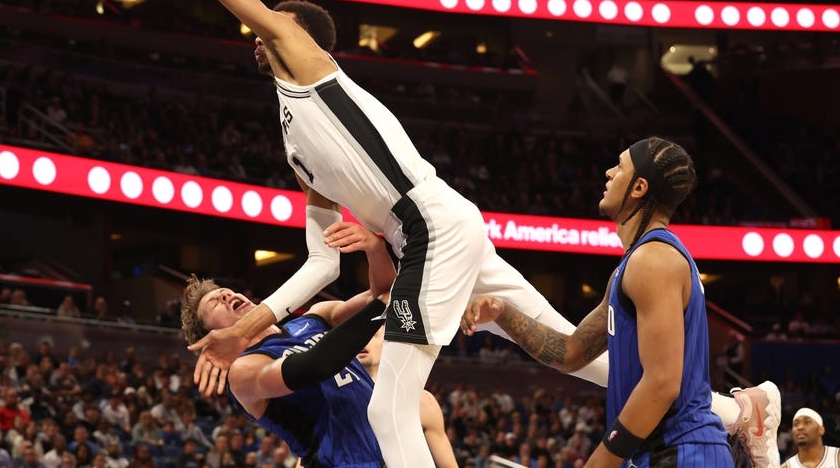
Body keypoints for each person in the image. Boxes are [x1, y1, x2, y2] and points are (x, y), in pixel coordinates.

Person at [129, 0, 781, 468]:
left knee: (390, 404)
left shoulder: (303, 57)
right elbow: (323, 263)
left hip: (430, 226)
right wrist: (246, 324)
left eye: (275, 17)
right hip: (434, 230)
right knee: (557, 343)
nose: (266, 21)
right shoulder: (298, 148)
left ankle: (737, 412)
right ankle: (740, 410)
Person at [462, 137, 735, 468]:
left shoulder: (653, 261)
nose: (608, 173)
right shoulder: (636, 262)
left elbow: (662, 383)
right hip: (664, 453)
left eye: (619, 167)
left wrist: (601, 461)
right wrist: (503, 313)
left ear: (639, 187)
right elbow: (571, 352)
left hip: (682, 453)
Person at [179, 216, 395, 468]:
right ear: (213, 337)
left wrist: (375, 248)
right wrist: (381, 306)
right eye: (214, 303)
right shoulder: (243, 371)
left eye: (226, 291)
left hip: (390, 454)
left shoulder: (315, 317)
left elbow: (383, 290)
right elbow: (314, 367)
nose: (226, 295)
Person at [355, 327, 458, 468]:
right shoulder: (335, 396)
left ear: (388, 341)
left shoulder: (423, 402)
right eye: (357, 336)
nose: (362, 341)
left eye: (372, 335)